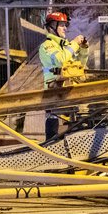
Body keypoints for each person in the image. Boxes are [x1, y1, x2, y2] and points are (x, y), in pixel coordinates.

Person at [38, 11, 88, 139]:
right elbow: (61, 60)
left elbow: (79, 65)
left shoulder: (65, 46)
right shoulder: (47, 46)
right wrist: (75, 44)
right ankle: (50, 147)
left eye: (65, 25)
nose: (65, 28)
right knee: (53, 119)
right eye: (61, 25)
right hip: (54, 88)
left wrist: (83, 49)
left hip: (69, 87)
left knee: (76, 119)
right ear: (52, 27)